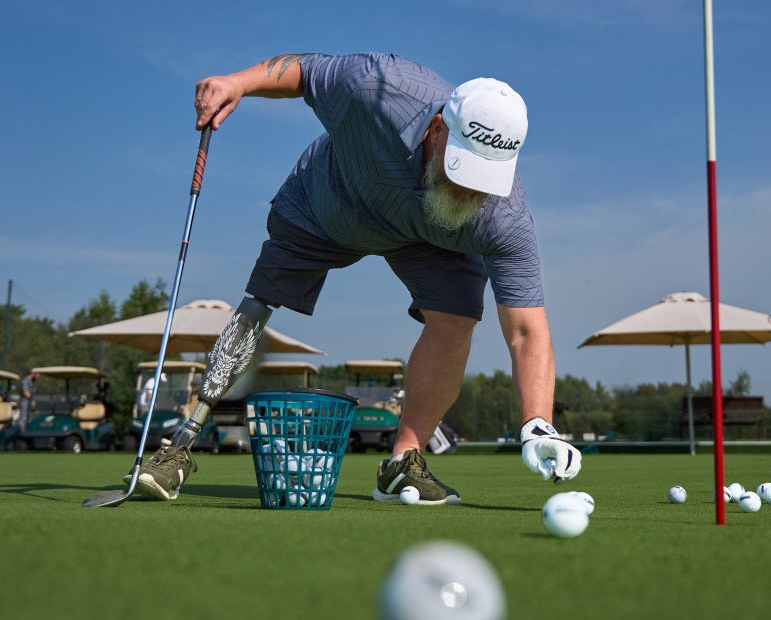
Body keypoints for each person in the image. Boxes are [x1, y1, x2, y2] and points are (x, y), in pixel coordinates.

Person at [126, 52, 582, 502]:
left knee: (456, 318)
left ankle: (403, 462)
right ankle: (179, 449)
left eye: (486, 177)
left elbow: (526, 330)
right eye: (464, 167)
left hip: (432, 231)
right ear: (439, 127)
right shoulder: (377, 87)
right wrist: (238, 83)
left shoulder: (501, 215)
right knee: (258, 302)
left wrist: (537, 424)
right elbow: (303, 71)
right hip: (324, 205)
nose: (471, 187)